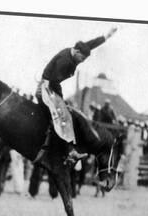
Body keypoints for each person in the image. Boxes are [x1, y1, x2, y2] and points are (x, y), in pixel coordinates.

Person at [34, 27, 118, 165]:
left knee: (66, 111)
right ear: (77, 52)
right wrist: (60, 100)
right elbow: (54, 82)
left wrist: (106, 36)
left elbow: (91, 44)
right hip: (46, 87)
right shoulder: (65, 61)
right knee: (62, 115)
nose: (81, 61)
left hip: (52, 86)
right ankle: (67, 150)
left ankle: (69, 148)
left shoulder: (78, 50)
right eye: (82, 59)